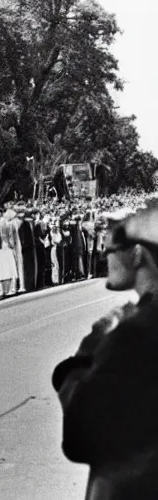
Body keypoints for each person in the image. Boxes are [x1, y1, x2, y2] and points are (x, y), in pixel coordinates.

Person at [52, 206, 158, 499]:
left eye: (110, 248)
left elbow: (81, 435)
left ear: (137, 254)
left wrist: (87, 352)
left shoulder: (133, 333)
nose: (104, 257)